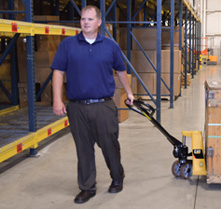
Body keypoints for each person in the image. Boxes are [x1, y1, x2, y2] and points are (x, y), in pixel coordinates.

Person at [51, 5, 134, 204]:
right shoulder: (68, 45)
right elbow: (58, 72)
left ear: (98, 22)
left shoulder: (110, 45)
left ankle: (117, 177)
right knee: (83, 148)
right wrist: (57, 99)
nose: (85, 23)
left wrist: (129, 92)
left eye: (89, 19)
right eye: (82, 19)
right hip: (77, 106)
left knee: (110, 145)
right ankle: (87, 187)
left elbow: (121, 71)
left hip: (103, 106)